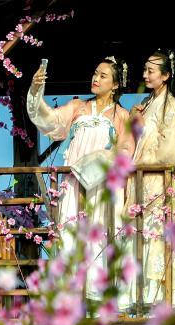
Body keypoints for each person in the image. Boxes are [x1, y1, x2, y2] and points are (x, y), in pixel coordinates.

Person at [26, 57, 134, 303]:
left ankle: (98, 294)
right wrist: (36, 90)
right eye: (95, 73)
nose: (96, 79)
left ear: (116, 84)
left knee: (101, 230)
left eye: (103, 76)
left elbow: (127, 150)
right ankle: (70, 293)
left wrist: (105, 160)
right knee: (70, 229)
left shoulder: (122, 116)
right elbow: (49, 121)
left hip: (104, 183)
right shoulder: (78, 107)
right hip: (75, 180)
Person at [127, 48, 175, 310]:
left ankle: (162, 301)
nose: (145, 74)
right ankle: (144, 298)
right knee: (144, 236)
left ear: (165, 75)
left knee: (159, 237)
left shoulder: (170, 105)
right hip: (143, 180)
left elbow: (170, 153)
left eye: (150, 71)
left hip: (160, 180)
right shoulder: (148, 103)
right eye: (145, 70)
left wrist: (142, 163)